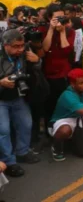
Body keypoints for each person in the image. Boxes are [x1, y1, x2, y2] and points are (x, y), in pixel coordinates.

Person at [0, 29, 41, 177]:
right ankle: (8, 162)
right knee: (3, 130)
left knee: (26, 124)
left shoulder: (25, 54)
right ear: (6, 45)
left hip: (18, 95)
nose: (20, 49)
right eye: (16, 46)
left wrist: (37, 61)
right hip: (1, 99)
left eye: (22, 45)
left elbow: (36, 71)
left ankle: (22, 152)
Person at [42, 4, 76, 139]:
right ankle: (51, 134)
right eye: (57, 18)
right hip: (49, 74)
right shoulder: (44, 29)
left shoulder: (69, 31)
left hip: (64, 73)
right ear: (49, 18)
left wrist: (62, 32)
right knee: (50, 106)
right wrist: (51, 29)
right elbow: (44, 49)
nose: (60, 20)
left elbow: (67, 51)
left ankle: (66, 131)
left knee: (65, 105)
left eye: (62, 17)